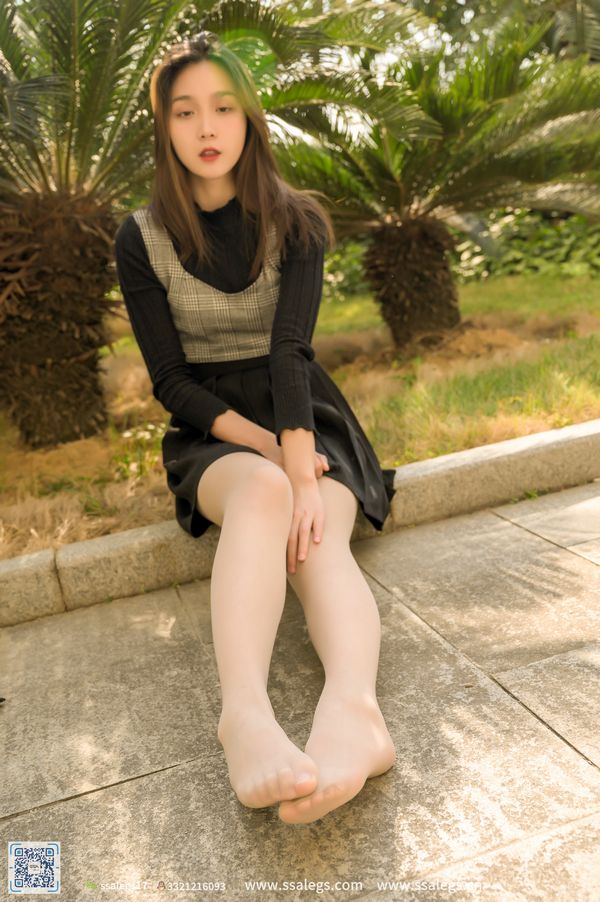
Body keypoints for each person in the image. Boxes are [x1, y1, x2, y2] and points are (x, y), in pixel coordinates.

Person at [114, 31, 397, 825]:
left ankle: (356, 714)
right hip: (215, 429)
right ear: (165, 128)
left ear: (249, 118)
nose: (207, 127)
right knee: (266, 495)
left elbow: (289, 352)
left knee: (315, 539)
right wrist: (272, 456)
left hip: (305, 414)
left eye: (224, 107)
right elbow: (170, 381)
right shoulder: (141, 237)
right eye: (185, 111)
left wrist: (302, 463)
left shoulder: (296, 220)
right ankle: (243, 716)